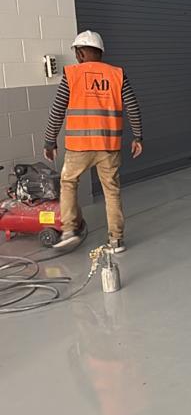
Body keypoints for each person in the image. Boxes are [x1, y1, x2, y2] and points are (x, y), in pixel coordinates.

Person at [44, 30, 143, 253]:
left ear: (80, 53)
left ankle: (70, 230)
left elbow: (57, 110)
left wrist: (50, 141)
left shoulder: (72, 74)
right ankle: (116, 240)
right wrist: (138, 137)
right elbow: (133, 107)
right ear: (100, 52)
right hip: (109, 146)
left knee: (69, 183)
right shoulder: (117, 74)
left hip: (79, 147)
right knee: (112, 190)